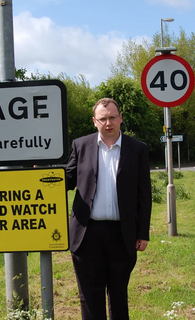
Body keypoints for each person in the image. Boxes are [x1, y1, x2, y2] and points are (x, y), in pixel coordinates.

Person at [66, 98, 152, 319]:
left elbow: (144, 196)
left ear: (120, 118)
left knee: (118, 295)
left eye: (112, 117)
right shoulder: (81, 145)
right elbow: (68, 180)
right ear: (95, 122)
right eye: (103, 119)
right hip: (86, 234)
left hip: (122, 234)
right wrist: (42, 174)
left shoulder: (138, 149)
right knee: (89, 296)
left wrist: (143, 233)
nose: (108, 123)